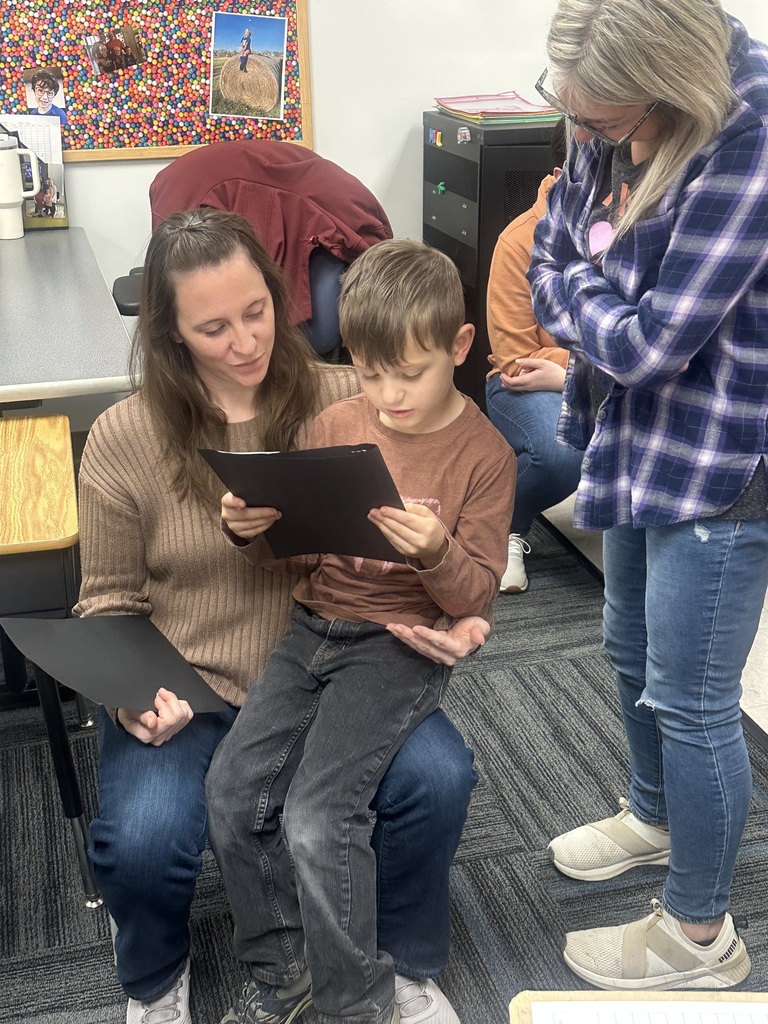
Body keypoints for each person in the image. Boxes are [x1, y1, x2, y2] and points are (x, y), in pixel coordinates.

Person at [74, 209, 488, 1024]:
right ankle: (156, 981)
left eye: (257, 311)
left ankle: (399, 962)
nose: (244, 342)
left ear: (278, 293)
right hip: (187, 684)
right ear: (169, 334)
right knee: (146, 838)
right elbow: (108, 601)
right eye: (213, 327)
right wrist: (130, 695)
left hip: (335, 665)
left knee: (438, 782)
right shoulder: (125, 437)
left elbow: (452, 524)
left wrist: (462, 614)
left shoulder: (354, 398)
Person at [207, 237, 516, 1024]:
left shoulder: (483, 455)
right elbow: (296, 559)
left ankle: (356, 1006)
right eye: (369, 370)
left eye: (407, 373)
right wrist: (255, 529)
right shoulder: (338, 420)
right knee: (233, 791)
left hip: (397, 644)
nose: (387, 394)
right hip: (311, 626)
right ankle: (284, 974)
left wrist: (439, 553)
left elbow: (477, 590)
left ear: (458, 347)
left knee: (318, 816)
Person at [528, 0, 768, 992]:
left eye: (598, 123)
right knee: (628, 647)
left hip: (722, 457)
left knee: (694, 698)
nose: (580, 138)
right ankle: (654, 816)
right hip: (633, 433)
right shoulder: (607, 111)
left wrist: (589, 300)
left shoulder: (748, 145)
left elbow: (652, 342)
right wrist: (597, 300)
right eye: (570, 115)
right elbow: (548, 255)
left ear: (666, 92)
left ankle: (700, 938)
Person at [485, 118, 582, 593]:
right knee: (562, 452)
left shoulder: (631, 223)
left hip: (580, 375)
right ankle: (504, 528)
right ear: (565, 171)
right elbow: (515, 361)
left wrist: (570, 371)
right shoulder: (519, 240)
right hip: (521, 383)